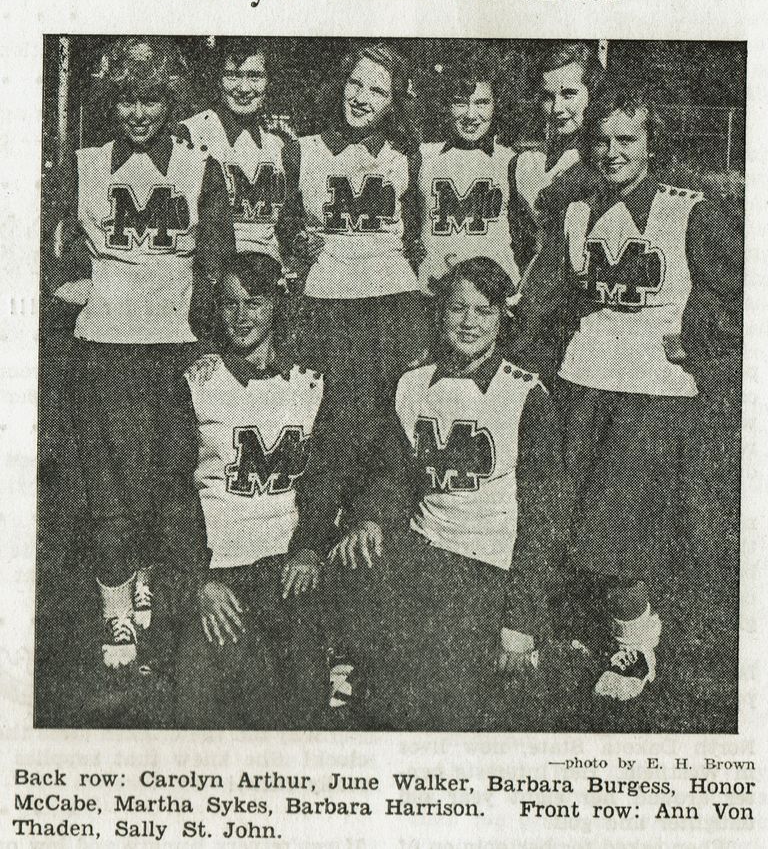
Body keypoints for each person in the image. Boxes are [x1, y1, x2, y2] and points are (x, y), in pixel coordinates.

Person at [514, 83, 742, 701]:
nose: (613, 152)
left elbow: (738, 296)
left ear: (650, 143)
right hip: (583, 379)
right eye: (602, 140)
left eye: (627, 139)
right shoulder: (577, 211)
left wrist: (693, 342)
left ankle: (637, 641)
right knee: (569, 515)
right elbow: (550, 301)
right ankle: (599, 625)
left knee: (618, 523)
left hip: (654, 390)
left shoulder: (689, 210)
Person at [49, 37, 236, 668]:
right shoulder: (83, 164)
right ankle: (115, 608)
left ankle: (154, 580)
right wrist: (79, 288)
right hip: (103, 346)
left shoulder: (198, 165)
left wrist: (203, 328)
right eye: (127, 99)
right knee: (107, 482)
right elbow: (58, 256)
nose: (138, 112)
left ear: (169, 100)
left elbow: (216, 260)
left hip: (174, 347)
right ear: (112, 102)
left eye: (151, 98)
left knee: (170, 476)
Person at [325, 257, 569, 730]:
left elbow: (544, 519)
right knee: (354, 556)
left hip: (486, 562)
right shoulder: (412, 383)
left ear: (503, 317)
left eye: (484, 310)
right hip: (424, 548)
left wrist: (519, 620)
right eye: (458, 309)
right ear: (440, 314)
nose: (470, 322)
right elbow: (392, 475)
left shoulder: (525, 394)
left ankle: (527, 644)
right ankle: (352, 660)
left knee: (442, 700)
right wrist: (372, 518)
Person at [173, 253, 334, 729]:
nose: (241, 317)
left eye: (254, 303)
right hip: (220, 571)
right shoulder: (195, 382)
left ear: (277, 307)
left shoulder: (311, 383)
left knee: (302, 708)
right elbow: (171, 495)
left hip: (286, 569)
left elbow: (327, 481)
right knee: (204, 709)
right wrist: (198, 580)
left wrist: (308, 550)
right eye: (229, 304)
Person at [277, 43, 432, 505]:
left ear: (394, 101)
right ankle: (319, 528)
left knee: (388, 421)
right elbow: (284, 228)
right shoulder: (301, 152)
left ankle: (377, 523)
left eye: (377, 90)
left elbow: (416, 229)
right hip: (327, 303)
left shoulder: (406, 155)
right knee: (325, 420)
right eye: (355, 83)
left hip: (391, 303)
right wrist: (299, 249)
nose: (361, 97)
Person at [180, 38, 289, 262]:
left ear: (269, 81)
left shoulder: (277, 143)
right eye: (232, 75)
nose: (244, 88)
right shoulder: (191, 134)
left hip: (267, 275)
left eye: (255, 76)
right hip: (211, 271)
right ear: (217, 80)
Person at [416, 59, 520, 290]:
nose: (471, 115)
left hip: (493, 294)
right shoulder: (423, 156)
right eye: (460, 103)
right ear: (446, 106)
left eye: (482, 103)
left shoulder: (510, 160)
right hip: (435, 290)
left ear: (496, 105)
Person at [510, 41, 604, 282]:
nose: (557, 108)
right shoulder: (525, 162)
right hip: (534, 284)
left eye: (568, 94)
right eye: (548, 97)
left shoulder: (607, 160)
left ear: (592, 94)